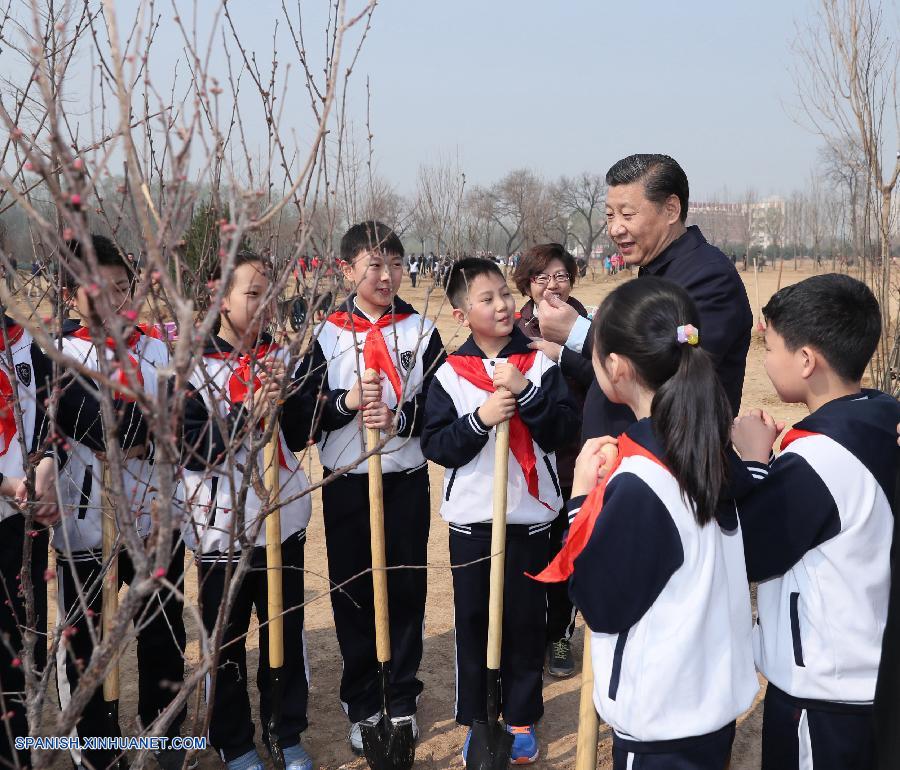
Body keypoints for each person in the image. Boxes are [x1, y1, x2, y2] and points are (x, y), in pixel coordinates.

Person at [536, 276, 758, 769]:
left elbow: (601, 604)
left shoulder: (643, 481)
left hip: (662, 726)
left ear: (614, 367)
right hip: (706, 707)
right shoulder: (707, 447)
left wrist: (580, 501)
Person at [730, 274, 900, 770]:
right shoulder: (881, 417)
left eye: (771, 348)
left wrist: (755, 462)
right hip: (870, 672)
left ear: (806, 361)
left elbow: (753, 549)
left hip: (824, 692)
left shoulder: (819, 461)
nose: (766, 360)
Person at [421, 257, 579, 765]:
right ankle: (479, 718)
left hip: (531, 520)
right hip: (473, 522)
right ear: (461, 313)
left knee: (524, 622)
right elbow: (438, 445)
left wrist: (525, 391)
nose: (503, 306)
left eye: (504, 296)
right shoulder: (448, 373)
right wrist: (482, 418)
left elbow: (561, 432)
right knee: (472, 621)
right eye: (486, 299)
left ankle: (520, 715)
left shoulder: (542, 363)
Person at [302, 221, 444, 754]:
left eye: (395, 265)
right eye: (374, 265)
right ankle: (362, 697)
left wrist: (400, 420)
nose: (387, 276)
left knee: (407, 587)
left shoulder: (421, 330)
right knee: (353, 591)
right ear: (347, 269)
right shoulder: (325, 335)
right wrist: (345, 405)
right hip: (347, 483)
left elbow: (438, 408)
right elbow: (305, 415)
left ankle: (402, 693)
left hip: (405, 480)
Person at [52, 235, 187, 770]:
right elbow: (92, 423)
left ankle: (167, 736)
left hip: (155, 518)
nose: (112, 302)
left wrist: (143, 426)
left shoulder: (157, 347)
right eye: (96, 291)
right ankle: (95, 746)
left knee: (164, 632)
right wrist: (139, 422)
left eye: (122, 288)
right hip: (86, 527)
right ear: (69, 297)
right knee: (88, 642)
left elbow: (176, 422)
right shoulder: (59, 357)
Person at [180, 250, 316, 770]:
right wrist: (245, 414)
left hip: (281, 522)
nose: (264, 305)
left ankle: (287, 730)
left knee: (283, 629)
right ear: (220, 298)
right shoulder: (191, 365)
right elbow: (190, 447)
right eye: (252, 294)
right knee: (226, 641)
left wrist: (293, 400)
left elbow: (303, 433)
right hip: (220, 528)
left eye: (269, 294)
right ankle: (234, 741)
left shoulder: (282, 357)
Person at [535, 154, 752, 442]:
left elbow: (682, 353)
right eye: (610, 215)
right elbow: (620, 370)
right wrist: (565, 353)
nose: (615, 229)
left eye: (627, 214)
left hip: (670, 465)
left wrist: (580, 332)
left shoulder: (709, 277)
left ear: (671, 209)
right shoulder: (655, 271)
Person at [511, 243, 591, 678]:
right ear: (527, 284)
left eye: (560, 275)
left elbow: (601, 375)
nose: (552, 285)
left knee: (571, 550)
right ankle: (528, 635)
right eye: (541, 278)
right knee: (533, 552)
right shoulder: (514, 329)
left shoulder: (590, 324)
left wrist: (564, 351)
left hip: (578, 455)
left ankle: (560, 635)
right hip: (533, 460)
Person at [0, 312, 68, 767]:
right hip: (10, 496)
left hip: (19, 521)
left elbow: (55, 419)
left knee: (22, 644)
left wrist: (45, 462)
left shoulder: (27, 344)